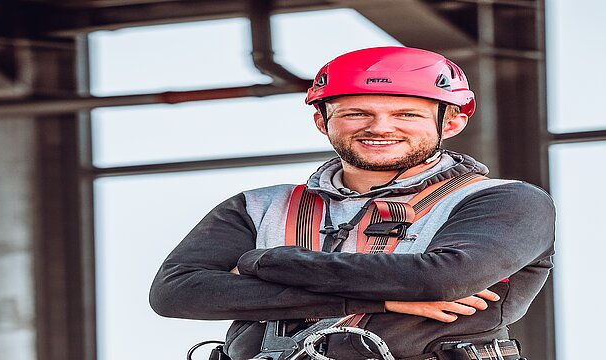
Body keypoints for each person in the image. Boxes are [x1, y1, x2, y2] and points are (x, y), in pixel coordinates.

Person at [149, 46, 555, 360]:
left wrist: (266, 261)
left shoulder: (504, 201)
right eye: (355, 113)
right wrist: (381, 299)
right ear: (322, 121)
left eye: (406, 114)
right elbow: (176, 293)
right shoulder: (258, 205)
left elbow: (439, 280)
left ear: (451, 122)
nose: (379, 128)